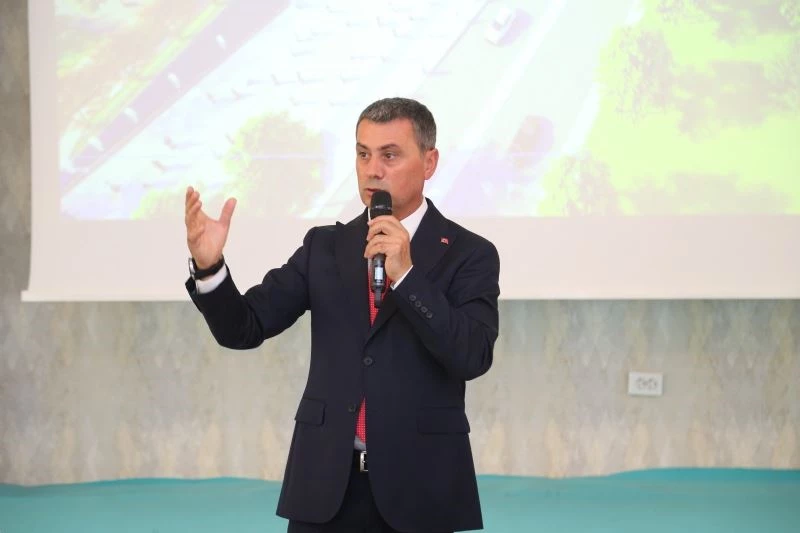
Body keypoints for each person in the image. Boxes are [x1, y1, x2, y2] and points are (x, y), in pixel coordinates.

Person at [184, 97, 500, 533]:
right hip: (326, 488)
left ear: (429, 162)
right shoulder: (324, 247)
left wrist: (408, 277)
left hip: (420, 487)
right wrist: (209, 268)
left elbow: (472, 355)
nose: (373, 170)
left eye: (390, 155)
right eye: (363, 154)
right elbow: (244, 327)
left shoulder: (469, 253)